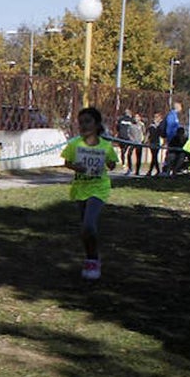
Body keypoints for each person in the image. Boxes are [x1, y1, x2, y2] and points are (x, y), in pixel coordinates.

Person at [61, 106, 118, 281]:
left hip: (99, 188)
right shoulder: (74, 144)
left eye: (88, 122)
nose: (84, 126)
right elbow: (67, 162)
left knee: (89, 225)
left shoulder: (105, 145)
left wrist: (107, 163)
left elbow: (112, 164)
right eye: (81, 123)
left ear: (97, 124)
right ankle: (91, 258)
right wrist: (76, 167)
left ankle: (93, 259)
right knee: (85, 230)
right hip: (80, 188)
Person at [116, 110, 137, 175]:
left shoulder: (120, 119)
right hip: (129, 138)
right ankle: (129, 165)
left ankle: (123, 164)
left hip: (121, 137)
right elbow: (135, 127)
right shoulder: (131, 120)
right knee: (129, 153)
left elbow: (117, 127)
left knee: (123, 151)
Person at [128, 111, 148, 176]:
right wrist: (131, 139)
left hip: (139, 143)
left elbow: (144, 133)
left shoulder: (141, 125)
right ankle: (130, 168)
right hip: (132, 142)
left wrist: (144, 140)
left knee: (138, 156)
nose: (136, 118)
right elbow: (128, 133)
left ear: (139, 118)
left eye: (137, 117)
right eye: (135, 117)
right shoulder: (131, 125)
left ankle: (137, 170)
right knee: (129, 154)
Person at [146, 111, 163, 176]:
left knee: (154, 156)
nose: (155, 118)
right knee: (154, 156)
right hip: (152, 143)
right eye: (154, 117)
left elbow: (162, 134)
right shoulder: (151, 126)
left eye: (157, 117)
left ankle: (152, 171)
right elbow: (148, 134)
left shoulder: (160, 126)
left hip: (157, 143)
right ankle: (155, 171)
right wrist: (146, 140)